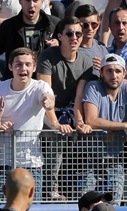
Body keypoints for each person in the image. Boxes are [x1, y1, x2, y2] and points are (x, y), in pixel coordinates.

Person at [0, 47, 62, 201]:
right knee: (3, 209)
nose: (23, 69)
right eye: (19, 64)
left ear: (34, 68)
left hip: (31, 162)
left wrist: (48, 102)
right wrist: (0, 123)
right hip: (2, 162)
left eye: (28, 65)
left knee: (32, 209)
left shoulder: (40, 86)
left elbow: (47, 98)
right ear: (10, 67)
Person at [80, 54, 127, 204]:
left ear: (124, 73)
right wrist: (124, 126)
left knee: (114, 204)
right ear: (101, 73)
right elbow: (92, 120)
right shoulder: (93, 86)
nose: (113, 75)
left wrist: (115, 130)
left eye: (118, 71)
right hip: (89, 157)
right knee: (86, 203)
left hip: (116, 158)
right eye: (109, 71)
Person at [37, 17, 95, 201]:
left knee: (82, 136)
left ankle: (77, 193)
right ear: (60, 36)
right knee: (56, 139)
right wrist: (55, 124)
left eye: (78, 34)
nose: (75, 38)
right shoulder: (48, 56)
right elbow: (46, 93)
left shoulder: (86, 61)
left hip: (70, 110)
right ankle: (51, 191)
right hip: (46, 107)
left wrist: (79, 122)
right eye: (69, 34)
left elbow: (79, 97)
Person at [0, 0, 60, 79]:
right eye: (27, 0)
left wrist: (59, 45)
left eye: (35, 0)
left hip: (46, 81)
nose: (31, 5)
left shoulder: (55, 24)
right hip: (18, 83)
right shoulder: (8, 26)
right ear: (20, 0)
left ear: (42, 1)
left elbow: (70, 51)